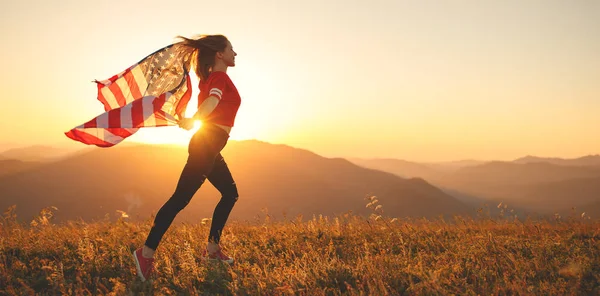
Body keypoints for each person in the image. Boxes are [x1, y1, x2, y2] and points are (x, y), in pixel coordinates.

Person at [133, 34, 241, 282]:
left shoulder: (212, 78)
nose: (235, 53)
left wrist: (197, 119)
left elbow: (212, 100)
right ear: (219, 54)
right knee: (180, 199)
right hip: (207, 144)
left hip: (211, 145)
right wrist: (195, 118)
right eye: (231, 49)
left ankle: (212, 251)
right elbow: (213, 101)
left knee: (230, 193)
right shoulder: (219, 77)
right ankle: (145, 253)